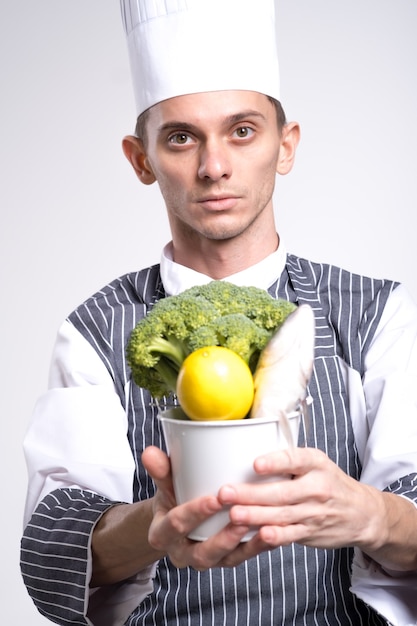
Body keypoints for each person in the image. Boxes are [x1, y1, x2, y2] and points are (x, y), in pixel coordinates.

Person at [20, 1, 417, 625]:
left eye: (242, 130)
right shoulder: (95, 331)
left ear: (285, 146)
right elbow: (51, 552)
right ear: (141, 159)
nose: (214, 167)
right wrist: (153, 525)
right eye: (181, 138)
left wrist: (373, 514)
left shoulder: (376, 314)